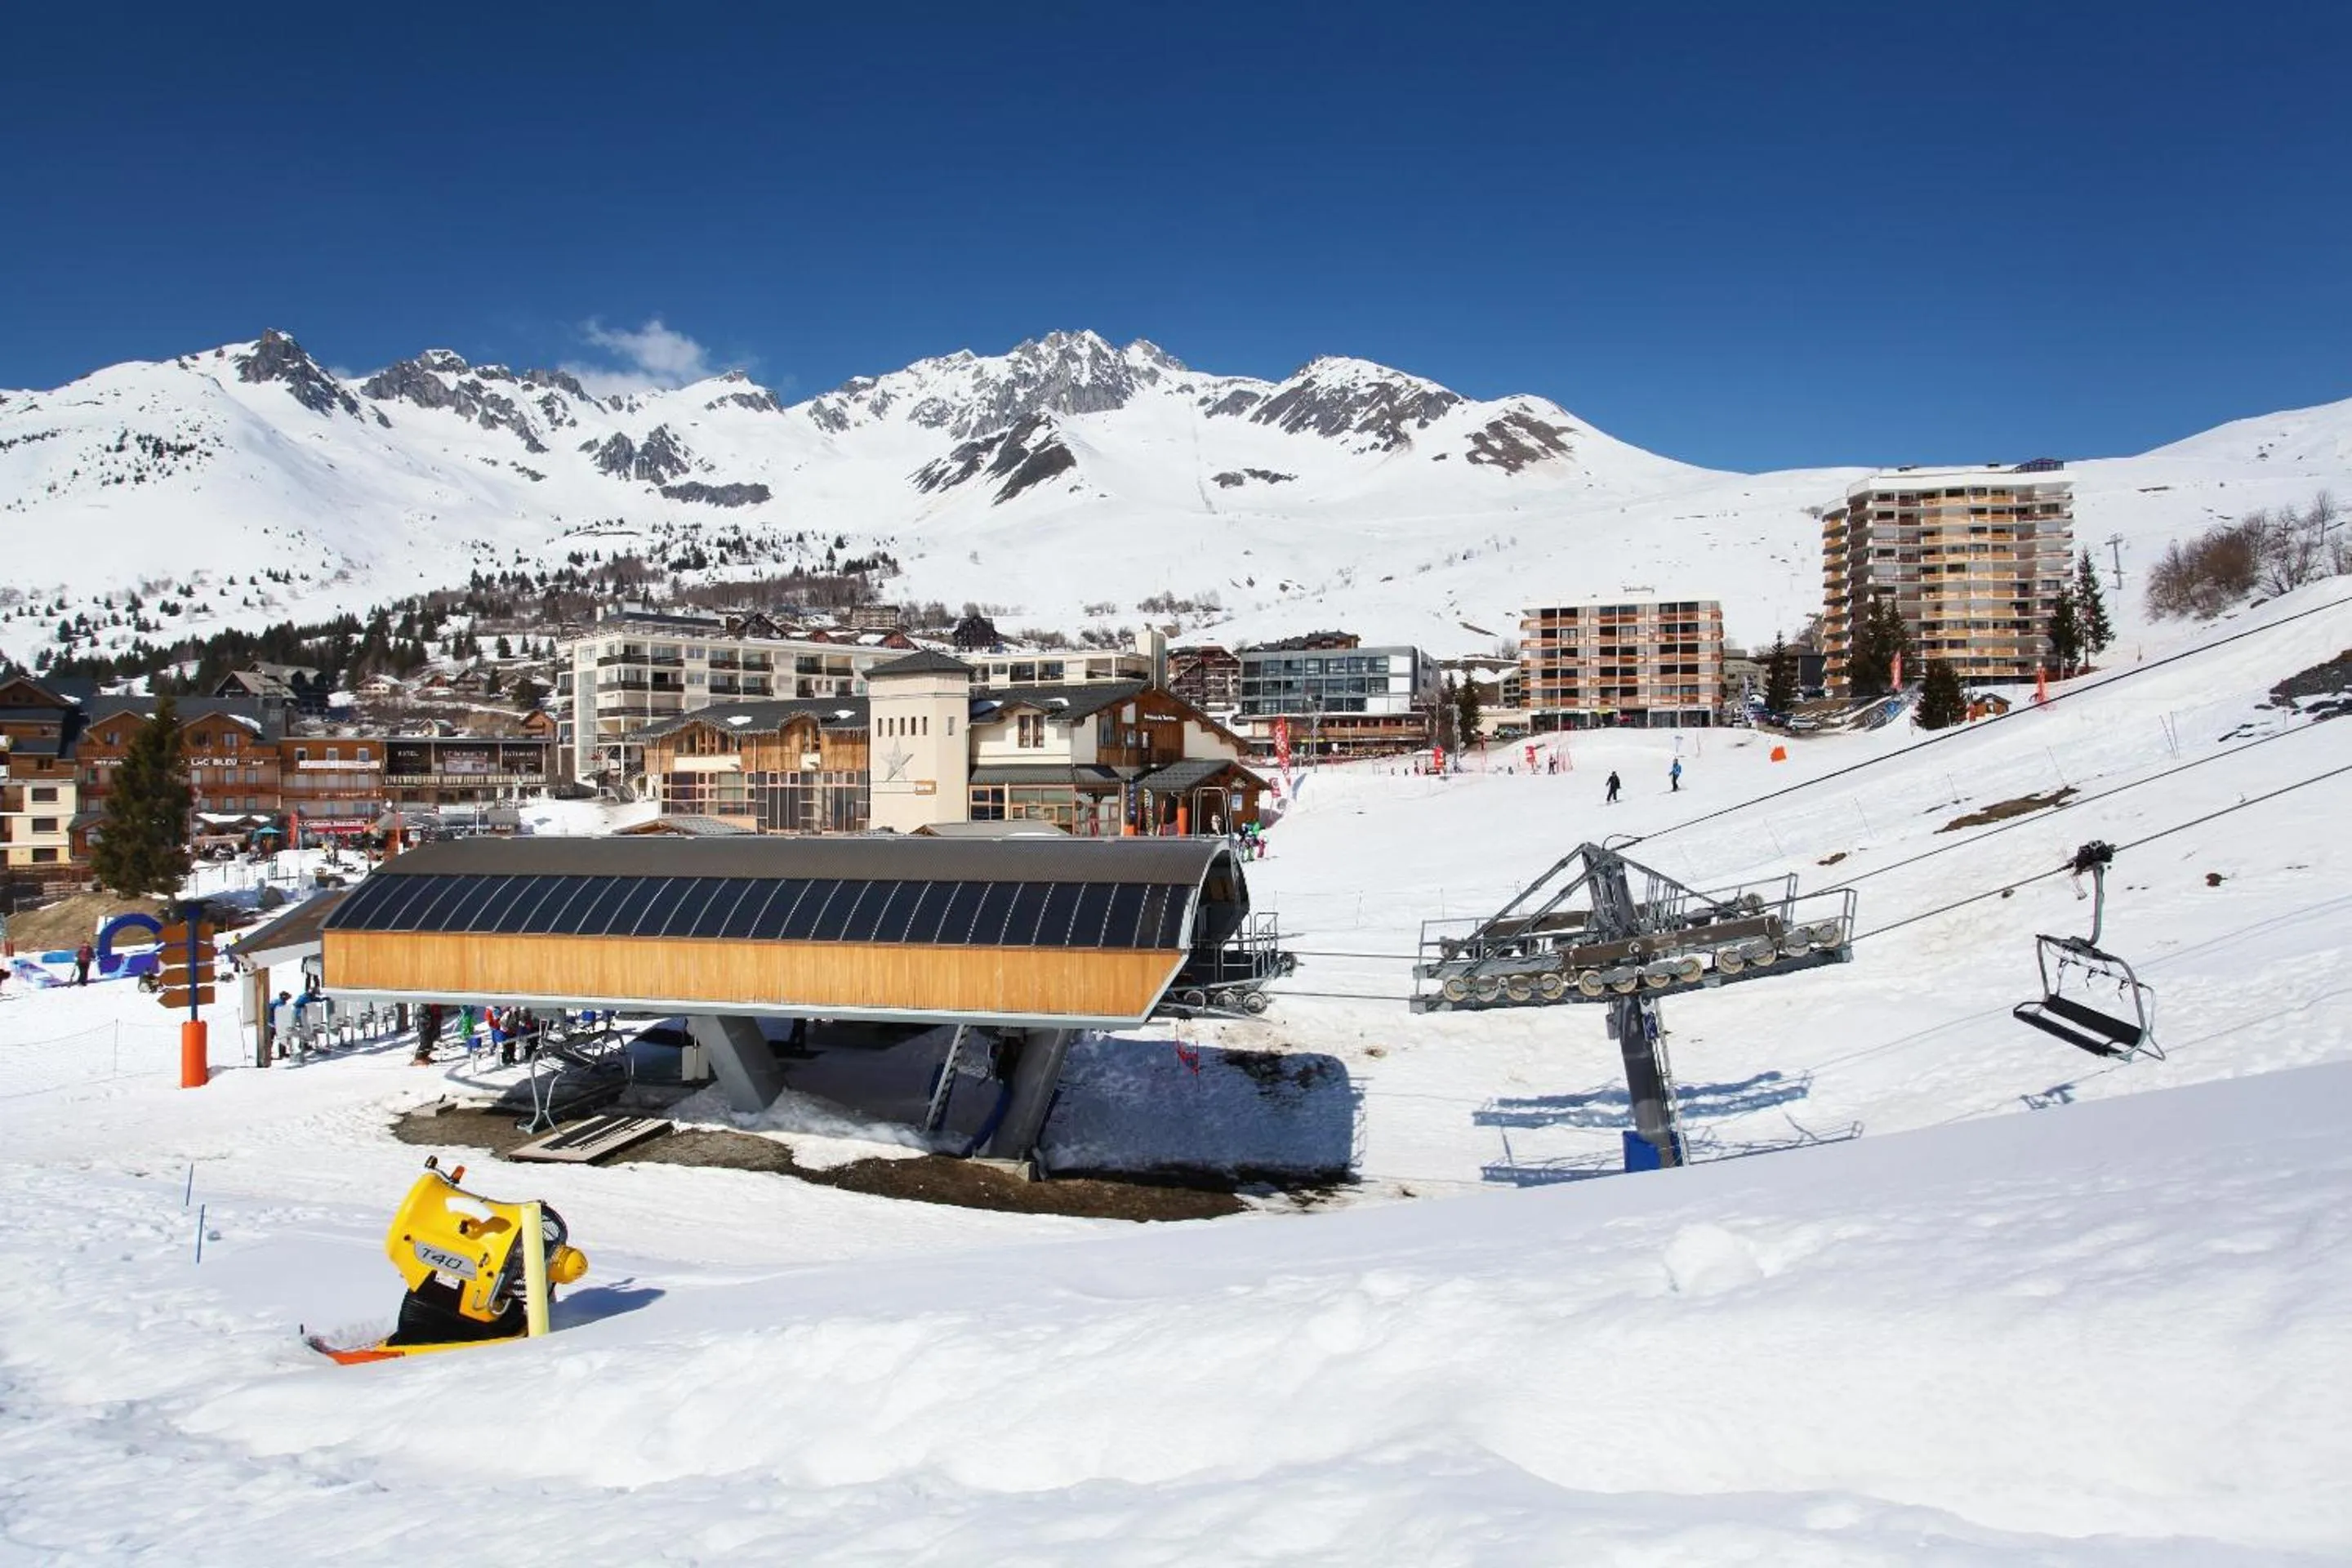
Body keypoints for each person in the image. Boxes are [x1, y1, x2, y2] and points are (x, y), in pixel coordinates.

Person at [412, 1002, 442, 1067]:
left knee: (430, 1042)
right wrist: (428, 1019)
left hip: (432, 1021)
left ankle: (424, 1056)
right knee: (425, 1042)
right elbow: (421, 1015)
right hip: (425, 1025)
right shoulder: (424, 1006)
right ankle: (419, 1058)